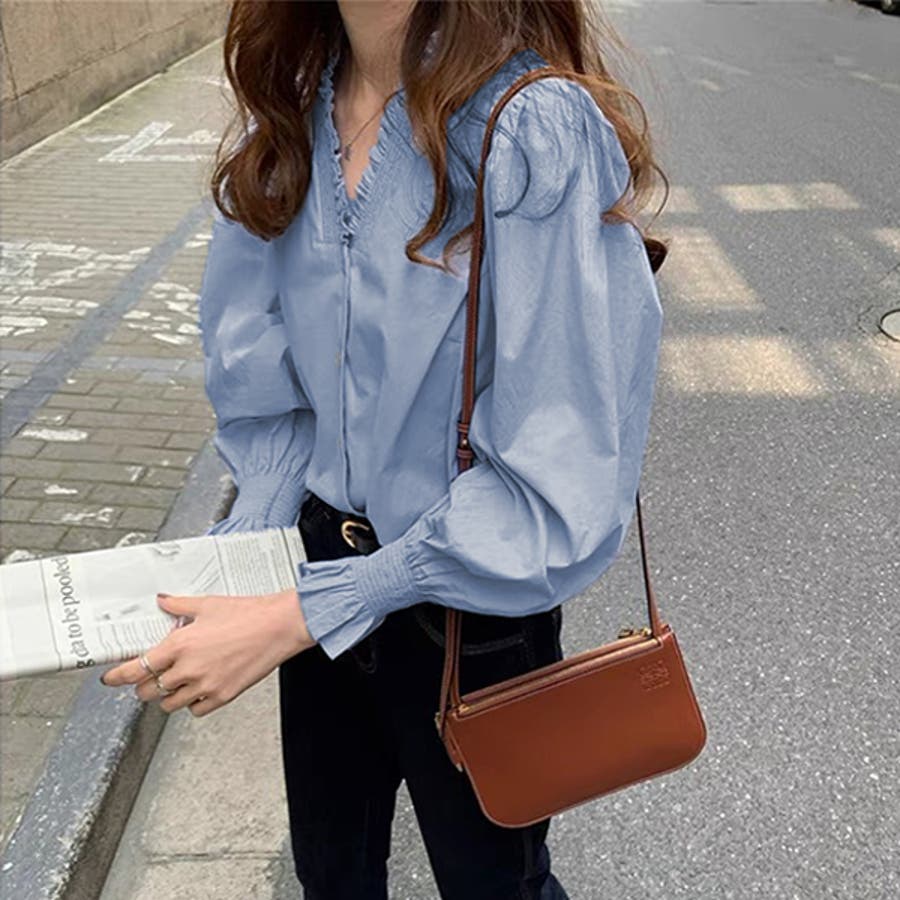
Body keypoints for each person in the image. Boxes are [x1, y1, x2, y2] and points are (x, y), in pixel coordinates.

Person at [100, 1, 668, 897]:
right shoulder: (290, 107)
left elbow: (560, 461)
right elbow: (265, 372)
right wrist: (243, 553)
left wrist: (308, 611)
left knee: (497, 884)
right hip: (314, 565)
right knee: (332, 875)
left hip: (468, 608)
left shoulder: (530, 127)